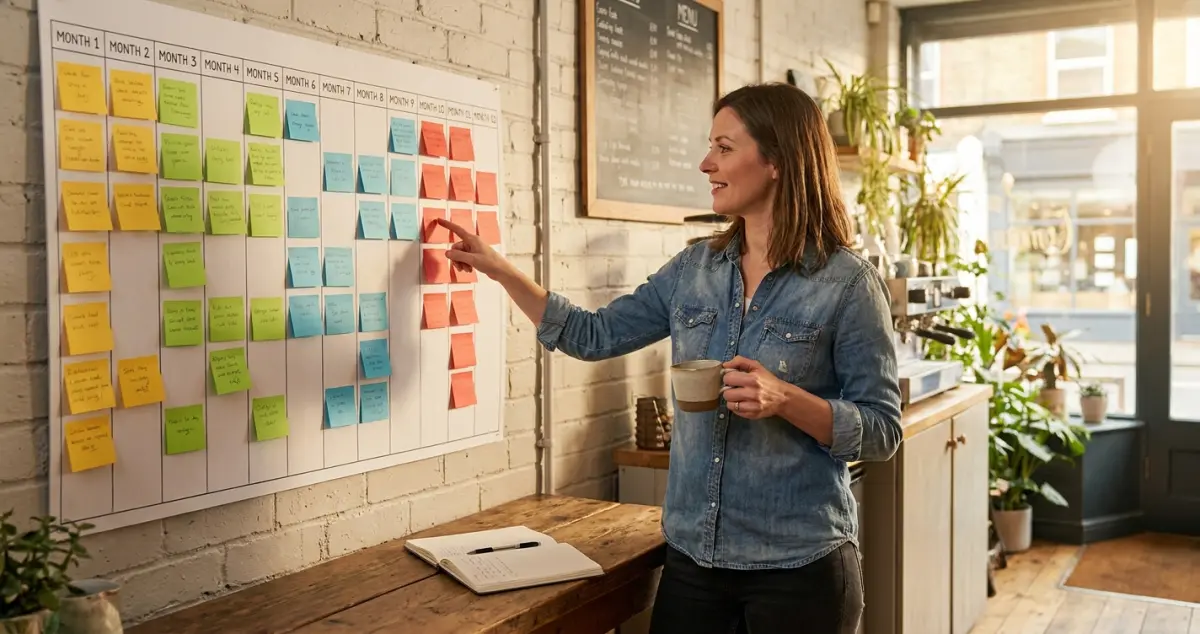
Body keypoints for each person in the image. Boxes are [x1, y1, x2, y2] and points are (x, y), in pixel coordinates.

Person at [437, 82, 903, 634]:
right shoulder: (694, 269)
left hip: (799, 570)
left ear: (777, 159)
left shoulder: (847, 284)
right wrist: (502, 271)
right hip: (694, 565)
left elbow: (881, 430)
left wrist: (785, 398)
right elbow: (594, 335)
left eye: (725, 148)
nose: (707, 163)